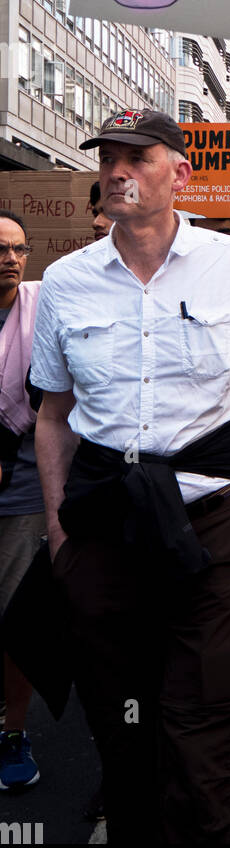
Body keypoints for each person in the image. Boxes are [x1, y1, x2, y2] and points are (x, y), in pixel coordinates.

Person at [31, 109, 230, 844]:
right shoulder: (66, 281)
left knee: (206, 717)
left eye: (137, 157)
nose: (118, 170)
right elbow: (53, 415)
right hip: (105, 525)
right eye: (108, 158)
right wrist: (58, 532)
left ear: (180, 174)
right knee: (121, 716)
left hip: (214, 524)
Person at [0, 212, 43, 790]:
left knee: (16, 616)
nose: (9, 258)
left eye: (18, 248)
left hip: (27, 483)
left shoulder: (45, 303)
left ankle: (13, 732)